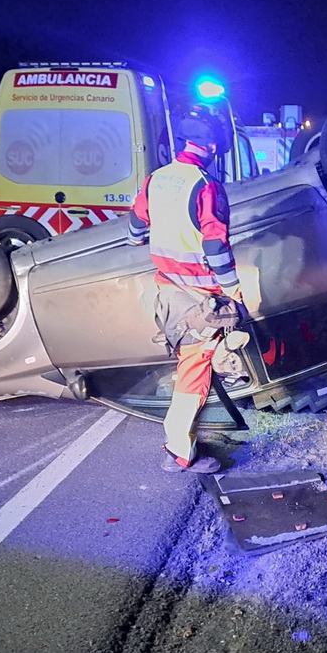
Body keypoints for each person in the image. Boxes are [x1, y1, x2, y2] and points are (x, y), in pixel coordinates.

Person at [127, 105, 244, 473]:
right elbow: (215, 246)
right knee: (195, 371)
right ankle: (178, 452)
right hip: (200, 299)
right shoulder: (205, 185)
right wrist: (234, 291)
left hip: (167, 291)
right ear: (213, 147)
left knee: (192, 363)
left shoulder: (156, 179)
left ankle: (185, 439)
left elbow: (135, 230)